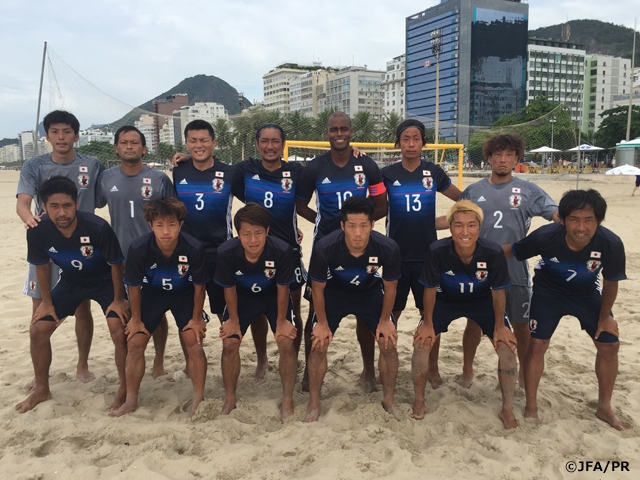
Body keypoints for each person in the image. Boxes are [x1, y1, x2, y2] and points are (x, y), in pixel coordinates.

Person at [507, 189, 629, 430]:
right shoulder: (546, 236)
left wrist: (605, 317)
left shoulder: (610, 243)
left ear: (599, 221)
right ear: (562, 219)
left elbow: (610, 283)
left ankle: (604, 406)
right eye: (574, 219)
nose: (580, 227)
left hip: (586, 295)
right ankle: (531, 405)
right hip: (548, 293)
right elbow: (512, 251)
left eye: (588, 220)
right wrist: (471, 250)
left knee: (610, 344)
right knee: (538, 344)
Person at [16, 176, 129, 413]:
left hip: (105, 282)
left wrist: (119, 300)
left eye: (67, 205)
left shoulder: (97, 227)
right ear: (44, 208)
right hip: (71, 282)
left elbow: (117, 265)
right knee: (38, 329)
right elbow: (42, 265)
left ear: (77, 204)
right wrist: (46, 303)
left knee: (118, 330)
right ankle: (42, 389)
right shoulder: (38, 231)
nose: (62, 212)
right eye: (54, 206)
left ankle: (124, 390)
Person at [456, 134, 559, 388]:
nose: (503, 160)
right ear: (489, 158)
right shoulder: (473, 190)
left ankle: (524, 374)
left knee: (521, 326)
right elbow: (459, 224)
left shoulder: (528, 190)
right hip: (479, 269)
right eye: (498, 155)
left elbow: (556, 216)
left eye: (509, 155)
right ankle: (467, 371)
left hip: (514, 269)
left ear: (516, 158)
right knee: (473, 324)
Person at [296, 111, 388, 392]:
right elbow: (300, 205)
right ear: (326, 133)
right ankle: (308, 375)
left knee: (364, 309)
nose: (339, 133)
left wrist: (358, 228)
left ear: (351, 132)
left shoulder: (367, 165)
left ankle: (369, 372)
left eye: (344, 129)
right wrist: (330, 225)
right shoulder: (313, 168)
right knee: (315, 310)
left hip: (362, 248)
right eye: (334, 129)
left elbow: (381, 204)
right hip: (326, 250)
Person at [16, 110, 104, 384]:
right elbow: (22, 201)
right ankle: (39, 374)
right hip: (47, 246)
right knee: (40, 308)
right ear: (47, 136)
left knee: (82, 308)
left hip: (83, 248)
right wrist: (28, 218)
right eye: (55, 131)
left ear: (76, 136)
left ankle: (82, 365)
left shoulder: (92, 163)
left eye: (67, 131)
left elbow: (107, 193)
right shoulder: (34, 165)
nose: (61, 137)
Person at [412, 200, 518, 429]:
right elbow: (429, 289)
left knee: (507, 349)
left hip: (482, 302)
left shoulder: (492, 252)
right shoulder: (437, 250)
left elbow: (499, 291)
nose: (465, 231)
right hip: (446, 300)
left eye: (471, 225)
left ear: (480, 227)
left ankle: (507, 409)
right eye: (458, 225)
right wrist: (428, 323)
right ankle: (419, 401)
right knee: (422, 343)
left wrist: (500, 325)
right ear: (450, 227)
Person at [381, 119, 461, 387]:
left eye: (416, 138)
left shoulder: (433, 172)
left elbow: (463, 202)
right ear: (398, 143)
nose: (411, 144)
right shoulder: (387, 174)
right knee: (390, 315)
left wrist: (445, 222)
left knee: (431, 317)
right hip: (396, 255)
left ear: (423, 143)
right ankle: (385, 367)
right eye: (406, 139)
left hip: (428, 255)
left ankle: (433, 368)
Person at [306, 197, 400, 422]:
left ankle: (389, 399)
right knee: (318, 344)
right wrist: (321, 323)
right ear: (342, 226)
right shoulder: (324, 247)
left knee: (388, 341)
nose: (358, 232)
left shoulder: (388, 247)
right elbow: (317, 290)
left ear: (372, 225)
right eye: (351, 226)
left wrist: (385, 320)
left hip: (369, 293)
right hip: (334, 294)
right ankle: (314, 403)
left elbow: (391, 287)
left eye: (363, 226)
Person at [113, 197, 208, 417]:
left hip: (183, 294)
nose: (166, 231)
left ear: (180, 225)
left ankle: (198, 398)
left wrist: (196, 318)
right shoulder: (139, 248)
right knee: (135, 342)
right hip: (152, 295)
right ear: (150, 225)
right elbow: (134, 287)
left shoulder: (194, 248)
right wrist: (135, 319)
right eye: (159, 225)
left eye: (171, 225)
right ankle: (131, 399)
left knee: (194, 340)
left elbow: (199, 286)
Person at [97, 125, 175, 378]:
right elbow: (90, 203)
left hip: (154, 256)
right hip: (118, 257)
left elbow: (172, 214)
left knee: (158, 310)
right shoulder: (106, 178)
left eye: (134, 142)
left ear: (144, 148)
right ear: (116, 148)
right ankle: (127, 366)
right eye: (124, 142)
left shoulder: (158, 179)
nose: (129, 146)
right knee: (124, 311)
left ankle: (159, 360)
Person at [231, 124, 305, 378]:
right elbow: (214, 169)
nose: (270, 146)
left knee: (292, 310)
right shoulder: (244, 170)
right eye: (265, 141)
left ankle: (292, 359)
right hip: (253, 251)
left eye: (275, 141)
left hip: (288, 250)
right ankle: (262, 359)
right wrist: (185, 161)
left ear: (283, 144)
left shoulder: (296, 171)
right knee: (257, 311)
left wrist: (355, 153)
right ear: (257, 144)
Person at [215, 203, 298, 421]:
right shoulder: (226, 252)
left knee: (285, 340)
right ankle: (230, 397)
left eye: (258, 233)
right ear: (238, 234)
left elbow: (283, 289)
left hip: (273, 297)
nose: (253, 240)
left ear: (267, 231)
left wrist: (281, 321)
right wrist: (233, 320)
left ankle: (288, 398)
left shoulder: (281, 250)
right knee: (230, 342)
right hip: (242, 298)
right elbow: (229, 289)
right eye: (247, 234)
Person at [173, 120, 237, 320]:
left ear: (214, 142)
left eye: (204, 140)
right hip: (187, 252)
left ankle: (229, 351)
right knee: (189, 315)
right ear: (186, 143)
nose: (198, 145)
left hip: (220, 252)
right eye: (193, 141)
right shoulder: (178, 171)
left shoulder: (230, 173)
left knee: (224, 312)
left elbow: (254, 202)